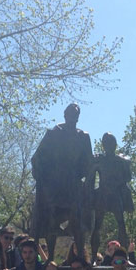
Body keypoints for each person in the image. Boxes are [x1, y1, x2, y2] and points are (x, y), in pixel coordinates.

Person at [31, 103, 93, 257]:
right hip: (55, 184)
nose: (73, 117)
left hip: (73, 182)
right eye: (71, 114)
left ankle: (80, 256)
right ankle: (50, 257)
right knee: (53, 219)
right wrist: (41, 174)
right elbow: (38, 157)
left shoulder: (83, 136)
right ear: (65, 115)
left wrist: (80, 175)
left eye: (76, 114)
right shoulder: (53, 134)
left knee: (78, 219)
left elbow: (88, 162)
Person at [89, 132, 134, 258]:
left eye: (111, 143)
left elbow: (128, 177)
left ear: (114, 145)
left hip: (115, 195)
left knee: (121, 224)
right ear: (103, 145)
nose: (108, 145)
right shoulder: (99, 160)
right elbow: (90, 176)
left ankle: (125, 257)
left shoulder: (121, 161)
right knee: (97, 226)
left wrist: (117, 182)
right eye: (106, 143)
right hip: (102, 195)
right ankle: (93, 257)